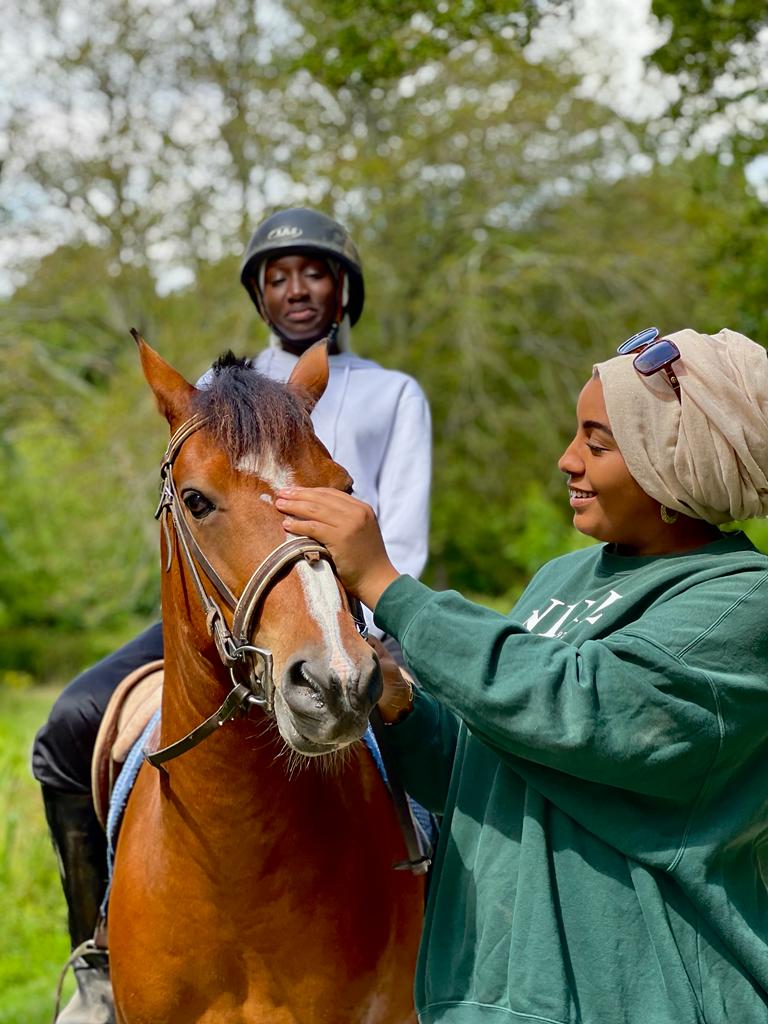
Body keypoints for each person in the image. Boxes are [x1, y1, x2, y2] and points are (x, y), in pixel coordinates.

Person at [276, 325, 768, 1024]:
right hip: (490, 1001)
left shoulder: (743, 601)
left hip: (644, 1001)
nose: (568, 460)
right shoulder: (562, 579)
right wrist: (400, 703)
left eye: (598, 444)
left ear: (676, 468)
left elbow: (583, 711)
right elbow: (485, 769)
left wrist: (390, 587)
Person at [32, 207, 431, 1023]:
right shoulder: (222, 394)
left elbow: (410, 530)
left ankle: (455, 934)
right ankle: (99, 957)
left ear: (343, 289)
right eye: (277, 277)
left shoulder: (394, 394)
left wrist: (384, 620)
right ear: (258, 294)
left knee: (443, 744)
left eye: (313, 273)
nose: (296, 290)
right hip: (231, 599)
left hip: (354, 596)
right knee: (69, 725)